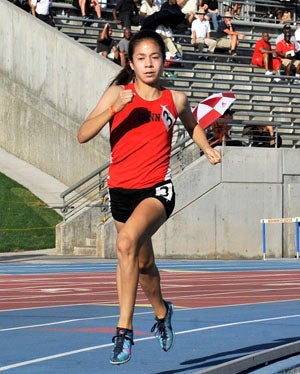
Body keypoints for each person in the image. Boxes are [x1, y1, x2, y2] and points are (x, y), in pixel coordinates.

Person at [77, 29, 221, 365]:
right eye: (141, 58)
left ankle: (124, 332)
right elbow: (83, 134)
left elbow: (192, 124)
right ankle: (162, 312)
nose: (149, 64)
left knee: (126, 244)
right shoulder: (117, 93)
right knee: (142, 263)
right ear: (131, 61)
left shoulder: (175, 99)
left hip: (157, 190)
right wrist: (113, 110)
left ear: (164, 60)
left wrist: (206, 148)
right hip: (121, 191)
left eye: (155, 57)